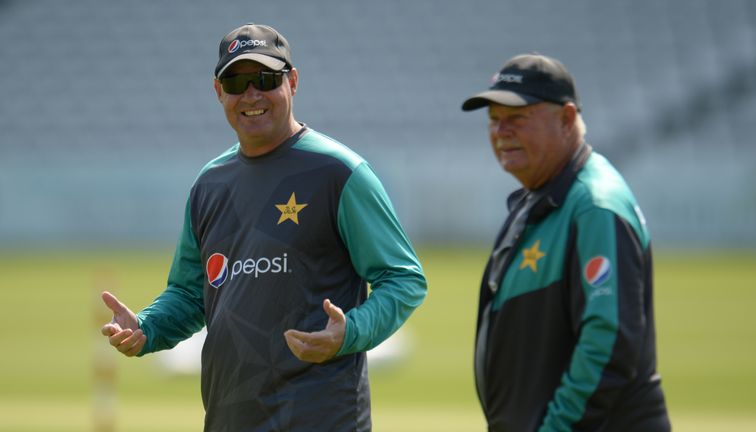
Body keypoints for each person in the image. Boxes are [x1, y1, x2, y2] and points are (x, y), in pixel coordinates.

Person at [100, 23, 427, 431]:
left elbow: (403, 279)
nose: (251, 94)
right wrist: (148, 328)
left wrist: (350, 332)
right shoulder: (209, 184)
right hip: (230, 417)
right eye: (236, 81)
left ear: (292, 81)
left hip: (322, 418)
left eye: (265, 79)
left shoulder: (339, 172)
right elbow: (190, 291)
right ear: (218, 91)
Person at [461, 53, 671, 431]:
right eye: (494, 120)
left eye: (517, 118)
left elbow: (607, 342)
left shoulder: (594, 205)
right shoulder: (546, 195)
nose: (501, 131)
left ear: (567, 118)